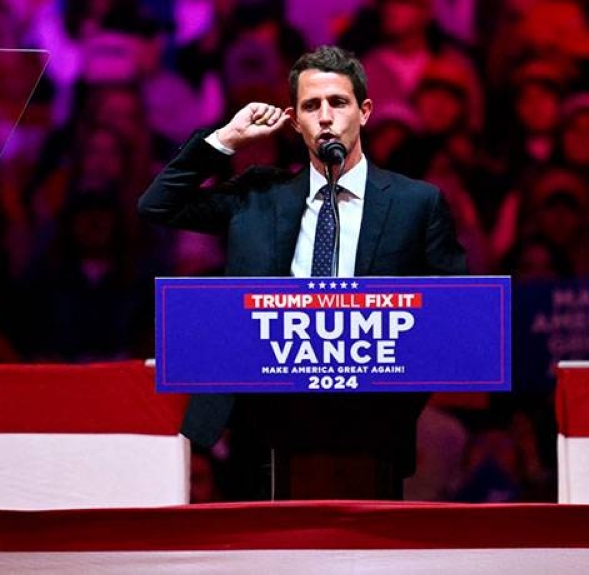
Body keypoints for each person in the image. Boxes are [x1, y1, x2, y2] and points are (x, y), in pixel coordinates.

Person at [138, 45, 467, 500]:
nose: (326, 117)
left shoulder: (417, 204)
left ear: (365, 112)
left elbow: (453, 317)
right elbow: (159, 204)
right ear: (295, 121)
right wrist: (225, 139)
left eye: (338, 102)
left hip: (372, 425)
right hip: (262, 423)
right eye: (311, 106)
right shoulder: (258, 194)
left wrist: (397, 407)